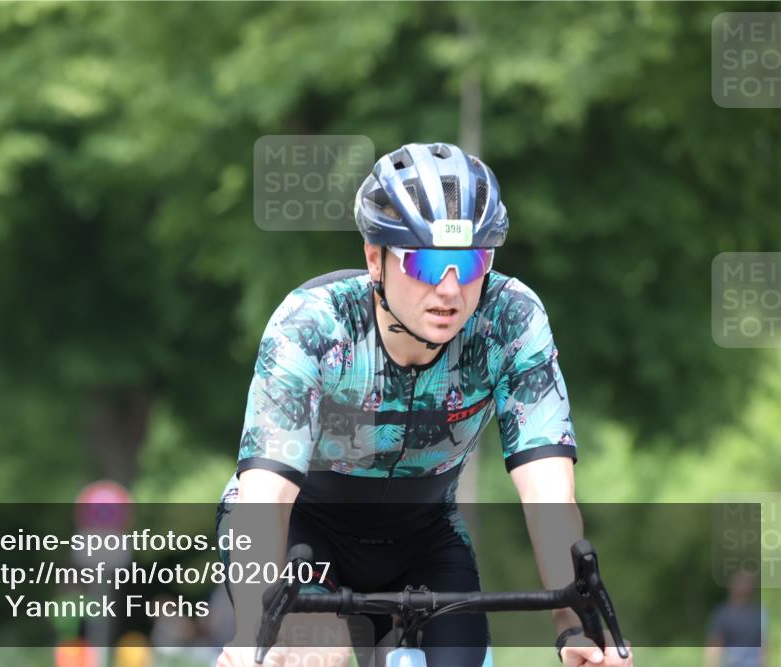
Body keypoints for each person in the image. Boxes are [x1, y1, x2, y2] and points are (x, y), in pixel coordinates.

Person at [214, 142, 633, 667]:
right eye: (429, 261)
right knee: (316, 648)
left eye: (472, 260)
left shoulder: (511, 321)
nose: (451, 289)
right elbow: (265, 496)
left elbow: (549, 496)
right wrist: (258, 627)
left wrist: (575, 627)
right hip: (304, 531)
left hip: (424, 538)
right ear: (375, 258)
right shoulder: (313, 323)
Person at [705, 571, 769, 667]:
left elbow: (764, 645)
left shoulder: (759, 613)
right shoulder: (722, 614)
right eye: (740, 583)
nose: (743, 587)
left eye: (746, 583)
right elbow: (715, 645)